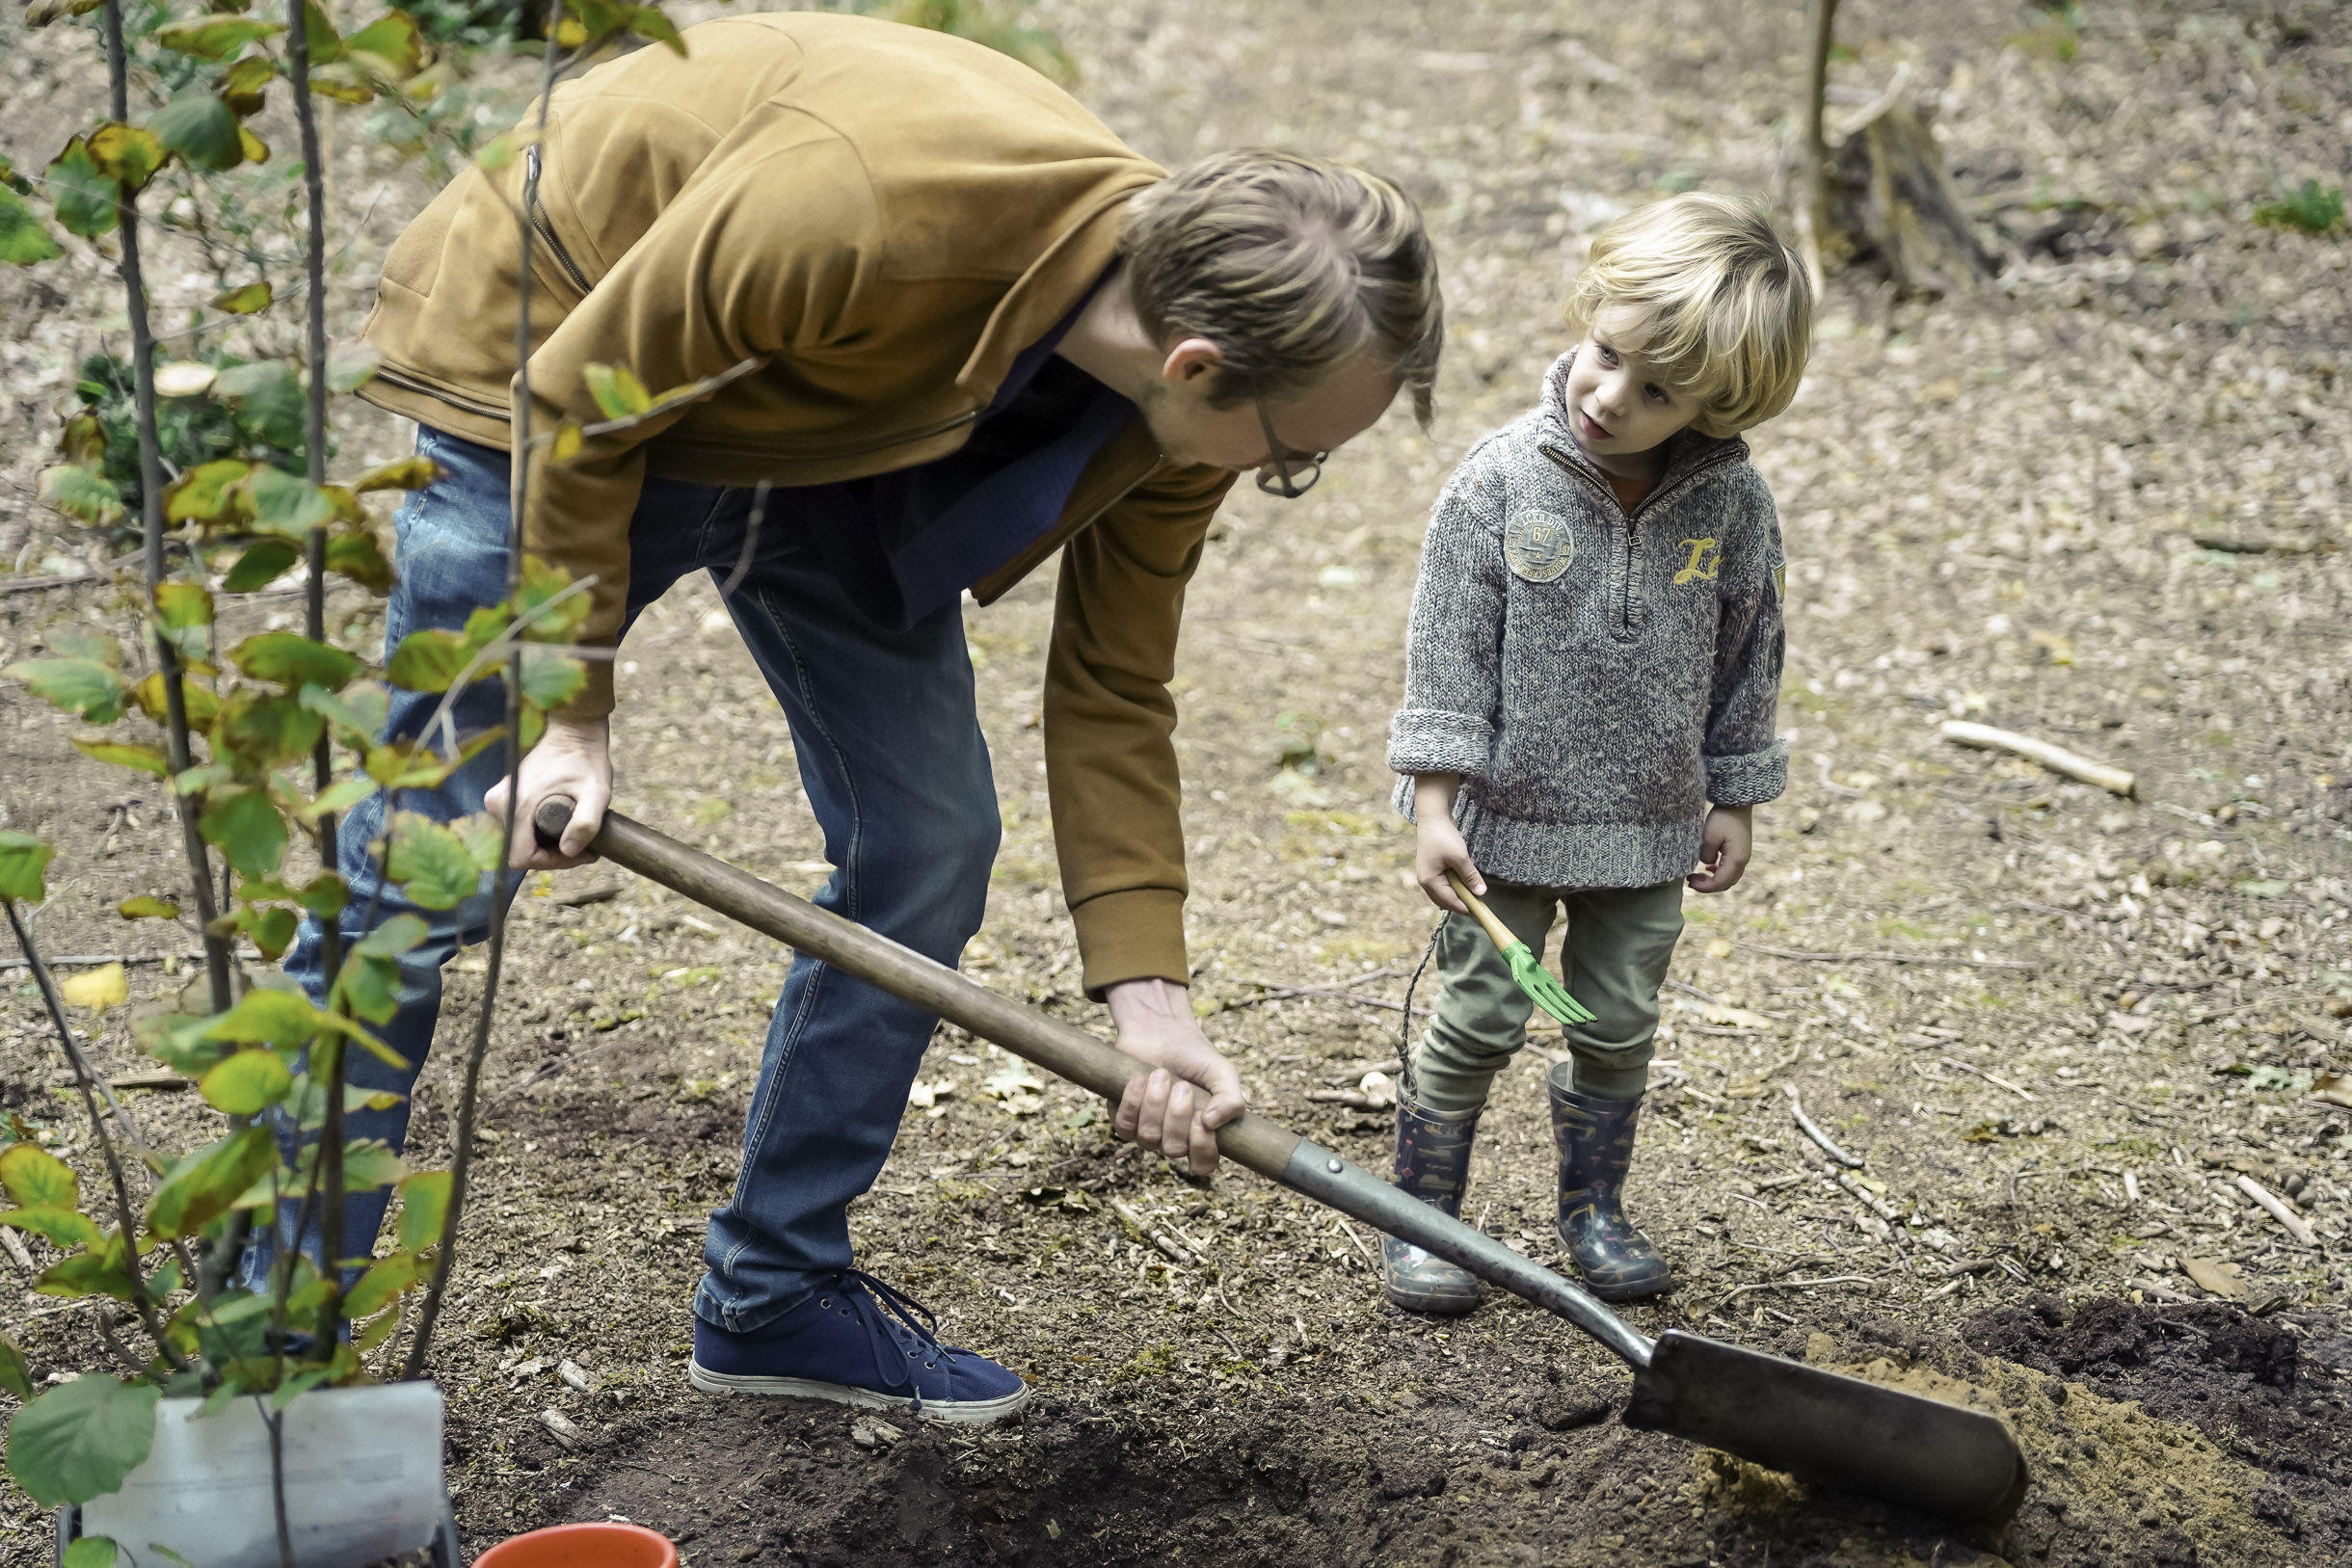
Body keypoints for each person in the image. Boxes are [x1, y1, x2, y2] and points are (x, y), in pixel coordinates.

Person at [250, 11, 1442, 1422]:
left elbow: (1115, 678)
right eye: (1298, 456)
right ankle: (271, 1344)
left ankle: (773, 1291)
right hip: (557, 354)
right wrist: (569, 712)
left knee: (929, 836)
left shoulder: (1185, 409)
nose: (1286, 474)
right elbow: (579, 405)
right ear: (1195, 362)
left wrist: (1148, 993)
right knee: (424, 863)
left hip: (833, 410)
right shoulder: (869, 211)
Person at [1379, 192, 1808, 1314]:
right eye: (1605, 354)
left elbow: (1749, 649)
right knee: (1478, 1015)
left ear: (1718, 402)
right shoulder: (1499, 482)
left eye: (1657, 390)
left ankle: (1594, 1211)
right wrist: (1433, 803)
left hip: (1649, 821)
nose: (1610, 395)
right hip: (1503, 824)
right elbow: (1447, 651)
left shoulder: (1732, 507)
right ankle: (1422, 1220)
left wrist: (1736, 793)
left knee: (1616, 1023)